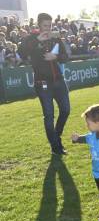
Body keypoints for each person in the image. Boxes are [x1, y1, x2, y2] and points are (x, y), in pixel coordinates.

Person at [18, 13, 70, 156]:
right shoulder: (30, 39)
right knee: (49, 116)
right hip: (42, 84)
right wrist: (37, 41)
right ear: (39, 25)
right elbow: (21, 54)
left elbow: (66, 57)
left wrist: (56, 56)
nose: (48, 28)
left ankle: (56, 137)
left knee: (65, 110)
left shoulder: (56, 38)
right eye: (45, 25)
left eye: (50, 25)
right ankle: (55, 147)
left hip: (59, 81)